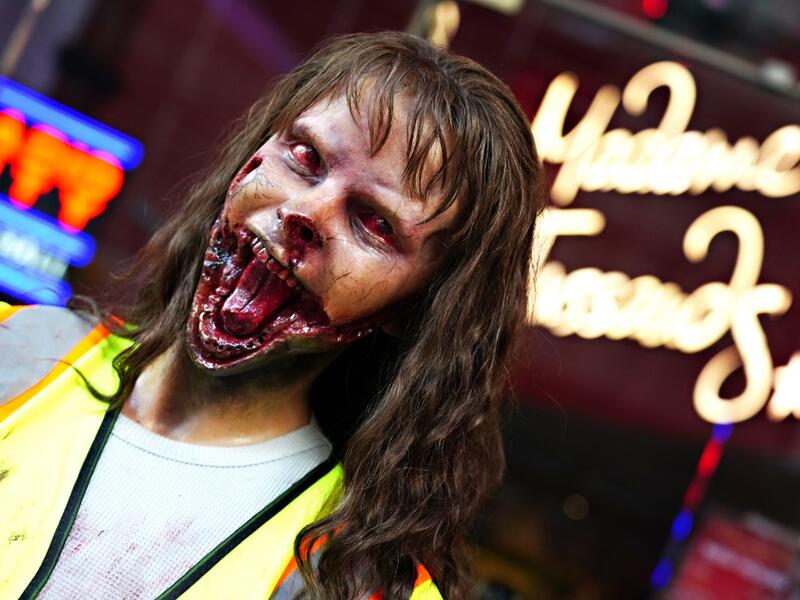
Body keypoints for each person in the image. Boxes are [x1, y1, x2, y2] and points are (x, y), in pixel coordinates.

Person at [0, 31, 544, 599]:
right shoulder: (17, 352)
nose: (304, 210)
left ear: (414, 308)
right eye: (305, 158)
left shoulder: (356, 584)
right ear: (252, 156)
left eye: (375, 223)